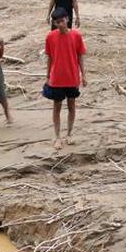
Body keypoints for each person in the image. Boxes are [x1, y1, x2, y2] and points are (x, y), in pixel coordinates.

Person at [43, 8, 86, 149]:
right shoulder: (50, 37)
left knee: (71, 106)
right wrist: (47, 75)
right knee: (57, 107)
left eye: (62, 21)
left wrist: (84, 75)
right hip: (57, 78)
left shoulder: (76, 36)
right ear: (54, 23)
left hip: (72, 76)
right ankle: (57, 137)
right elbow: (49, 57)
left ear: (67, 19)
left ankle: (69, 134)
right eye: (57, 22)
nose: (60, 24)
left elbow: (80, 56)